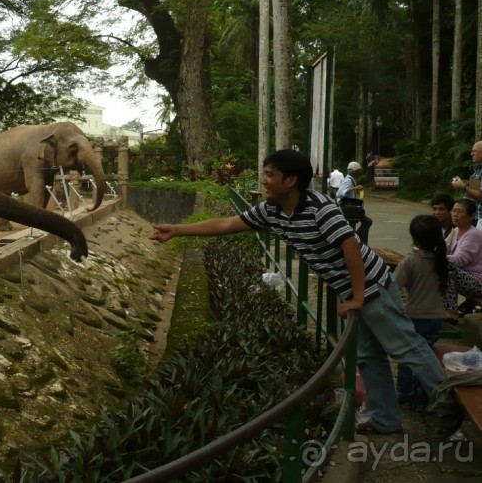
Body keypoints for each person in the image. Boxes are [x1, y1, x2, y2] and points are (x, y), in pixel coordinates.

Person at [149, 149, 455, 436]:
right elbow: (229, 223)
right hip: (353, 291)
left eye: (269, 174)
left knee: (406, 348)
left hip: (372, 287)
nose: (264, 180)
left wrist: (358, 297)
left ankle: (450, 406)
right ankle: (386, 420)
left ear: (291, 180)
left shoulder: (320, 209)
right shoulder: (273, 210)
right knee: (368, 357)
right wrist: (178, 229)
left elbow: (351, 248)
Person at [395, 215, 449, 412]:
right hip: (435, 318)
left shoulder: (409, 262)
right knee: (427, 357)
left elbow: (393, 287)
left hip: (414, 316)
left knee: (409, 357)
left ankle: (406, 393)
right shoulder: (443, 262)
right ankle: (424, 398)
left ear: (414, 238)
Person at [445, 198, 482, 315]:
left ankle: (450, 312)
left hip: (477, 281)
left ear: (471, 216)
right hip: (463, 278)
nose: (455, 215)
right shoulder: (455, 231)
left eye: (460, 212)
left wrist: (436, 257)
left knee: (448, 270)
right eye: (454, 211)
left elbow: (458, 260)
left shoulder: (473, 235)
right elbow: (441, 248)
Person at [450, 141, 482, 228]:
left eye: (474, 151)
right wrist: (461, 184)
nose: (471, 154)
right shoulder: (478, 170)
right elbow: (475, 190)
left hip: (480, 220)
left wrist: (462, 186)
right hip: (474, 217)